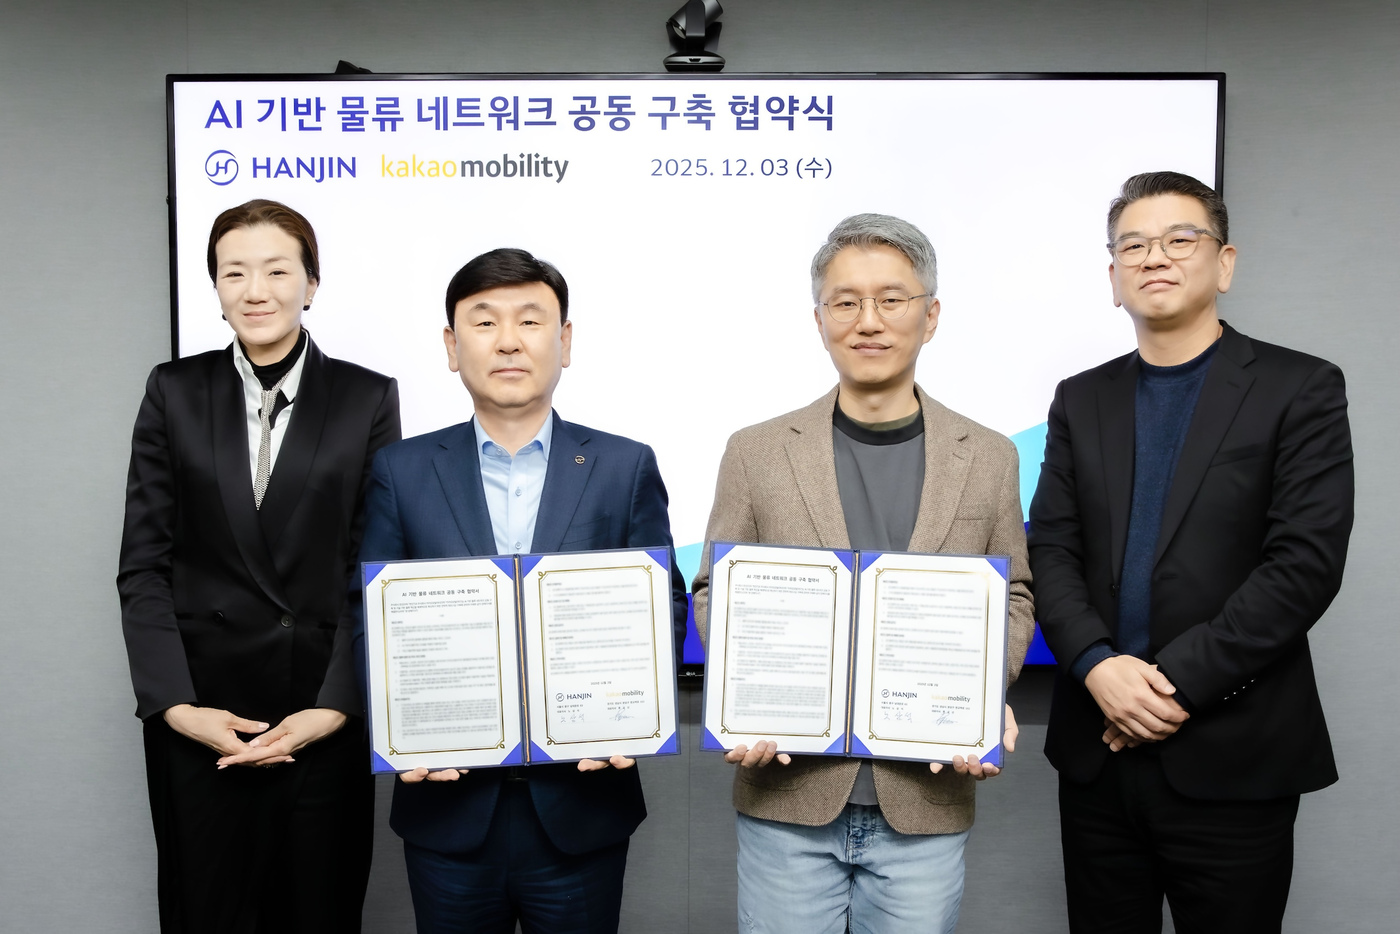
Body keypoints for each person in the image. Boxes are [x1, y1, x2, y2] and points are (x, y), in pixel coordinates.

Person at [1029, 171, 1354, 933]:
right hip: (1098, 754)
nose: (1154, 257)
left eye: (1180, 239)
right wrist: (1097, 667)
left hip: (1234, 754)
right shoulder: (1081, 397)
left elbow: (1302, 566)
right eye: (1133, 246)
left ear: (1224, 262)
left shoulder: (1299, 387)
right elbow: (1051, 548)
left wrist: (1167, 687)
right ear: (1114, 276)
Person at [691, 214, 1034, 934]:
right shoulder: (755, 451)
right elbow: (717, 589)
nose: (868, 321)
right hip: (788, 796)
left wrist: (979, 695)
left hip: (926, 800)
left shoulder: (990, 456)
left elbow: (1014, 595)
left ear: (930, 316)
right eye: (845, 302)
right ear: (818, 319)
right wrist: (742, 696)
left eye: (892, 299)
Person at [356, 247, 688, 934]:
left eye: (530, 321)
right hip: (446, 810)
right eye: (484, 323)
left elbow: (663, 603)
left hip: (583, 807)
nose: (508, 341)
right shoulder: (401, 469)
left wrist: (636, 710)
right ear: (452, 347)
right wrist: (397, 727)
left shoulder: (624, 465)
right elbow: (371, 617)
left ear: (564, 341)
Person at [116, 199, 401, 932]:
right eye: (233, 272)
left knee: (318, 913)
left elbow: (372, 568)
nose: (255, 290)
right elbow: (143, 565)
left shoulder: (366, 397)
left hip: (320, 714)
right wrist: (176, 706)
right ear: (214, 287)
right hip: (201, 718)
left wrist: (336, 707)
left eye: (277, 270)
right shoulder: (174, 391)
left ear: (311, 283)